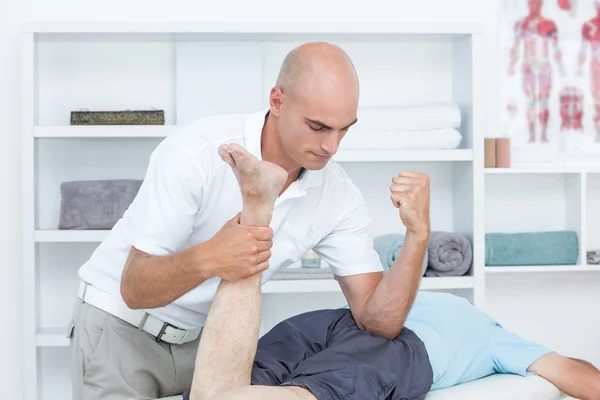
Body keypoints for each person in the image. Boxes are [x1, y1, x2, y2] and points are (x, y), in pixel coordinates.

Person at [68, 41, 431, 399]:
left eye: (344, 129)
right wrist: (212, 257)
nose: (331, 147)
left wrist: (417, 235)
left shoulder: (338, 195)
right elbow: (134, 288)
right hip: (121, 331)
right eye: (318, 127)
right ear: (277, 101)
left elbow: (377, 321)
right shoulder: (196, 153)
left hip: (206, 341)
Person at [179, 141, 600, 400]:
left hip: (336, 322)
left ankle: (257, 209)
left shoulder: (453, 307)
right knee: (307, 394)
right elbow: (571, 373)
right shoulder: (504, 343)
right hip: (397, 344)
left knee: (235, 379)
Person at [508, 0, 565, 143]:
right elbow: (515, 47)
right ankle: (532, 135)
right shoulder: (521, 24)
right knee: (531, 101)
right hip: (528, 66)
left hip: (544, 66)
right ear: (528, 4)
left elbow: (556, 47)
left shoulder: (549, 24)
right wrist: (511, 66)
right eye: (532, 3)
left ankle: (544, 135)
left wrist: (561, 66)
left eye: (538, 3)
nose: (535, 6)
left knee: (544, 101)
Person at [578, 0, 600, 142]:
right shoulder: (589, 25)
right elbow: (583, 48)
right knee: (597, 98)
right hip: (596, 65)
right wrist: (578, 66)